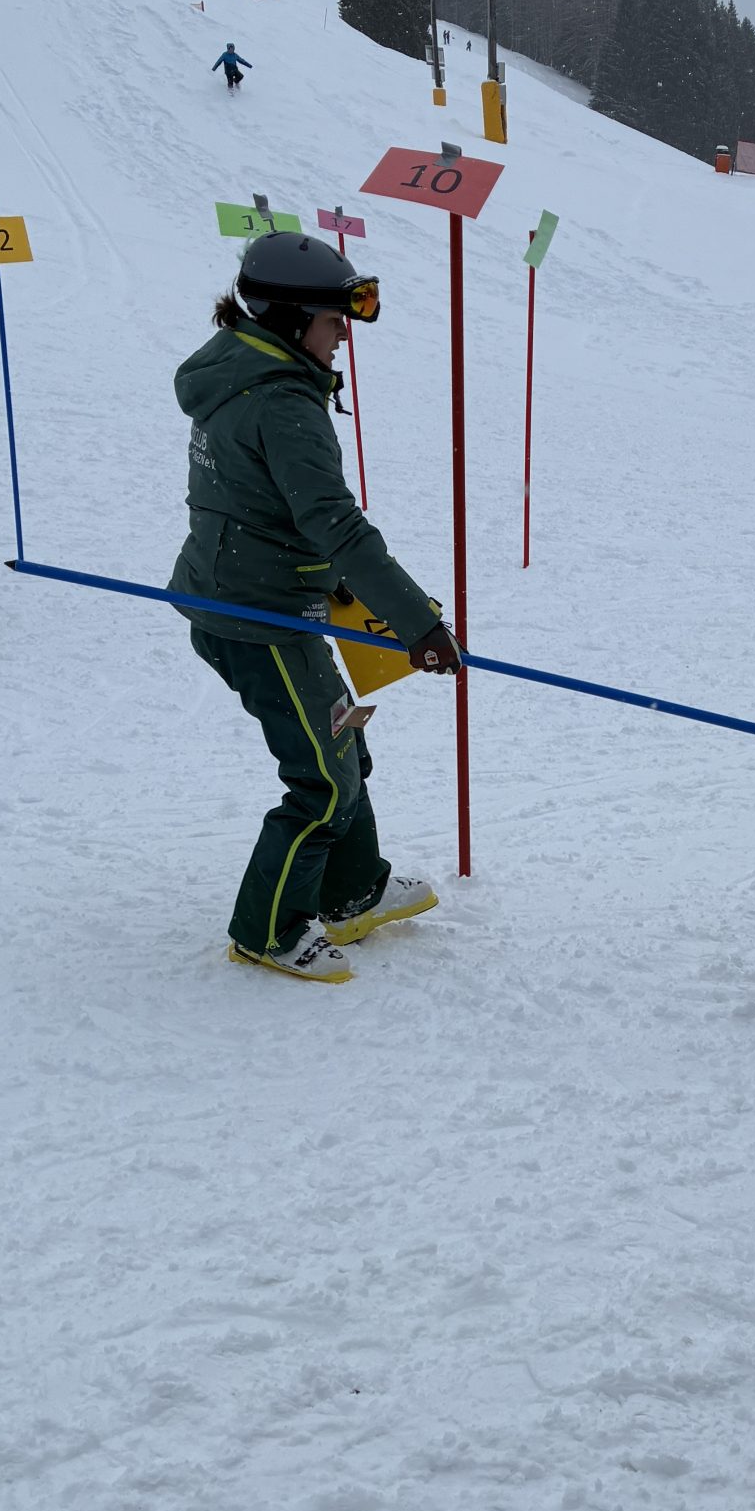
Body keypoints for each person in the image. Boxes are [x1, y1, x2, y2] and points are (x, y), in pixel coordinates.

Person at [170, 232, 459, 982]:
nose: (343, 338)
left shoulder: (240, 369)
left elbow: (261, 501)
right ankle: (268, 931)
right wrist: (418, 625)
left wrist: (327, 578)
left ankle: (351, 892)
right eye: (335, 322)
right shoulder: (280, 400)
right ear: (290, 319)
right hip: (256, 617)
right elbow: (336, 524)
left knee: (343, 745)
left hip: (262, 594)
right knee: (322, 780)